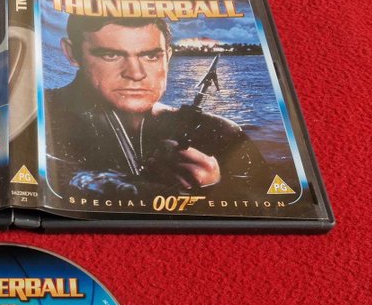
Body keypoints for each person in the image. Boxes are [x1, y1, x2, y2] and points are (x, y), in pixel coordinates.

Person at [45, 15, 269, 198]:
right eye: (111, 55)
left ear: (167, 56)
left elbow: (270, 208)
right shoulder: (38, 115)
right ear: (71, 53)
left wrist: (215, 186)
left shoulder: (222, 133)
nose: (136, 74)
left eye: (151, 56)